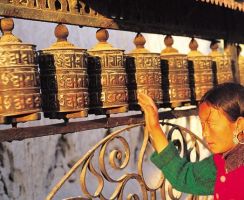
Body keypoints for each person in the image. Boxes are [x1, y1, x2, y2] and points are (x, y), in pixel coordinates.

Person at [138, 82, 244, 200]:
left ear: (239, 125)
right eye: (203, 125)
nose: (204, 133)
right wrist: (154, 128)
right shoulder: (220, 164)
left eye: (212, 124)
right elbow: (183, 176)